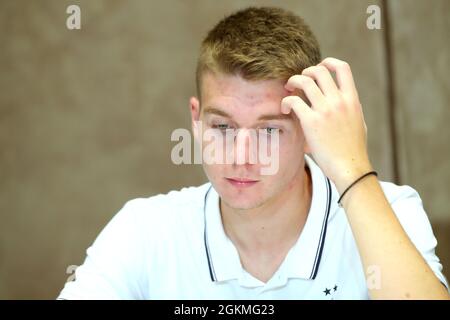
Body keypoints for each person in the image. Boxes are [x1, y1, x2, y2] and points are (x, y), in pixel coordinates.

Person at [58, 6, 449, 299]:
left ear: (310, 126)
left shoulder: (389, 211)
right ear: (196, 120)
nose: (242, 156)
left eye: (268, 130)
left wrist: (353, 171)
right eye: (223, 127)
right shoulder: (145, 230)